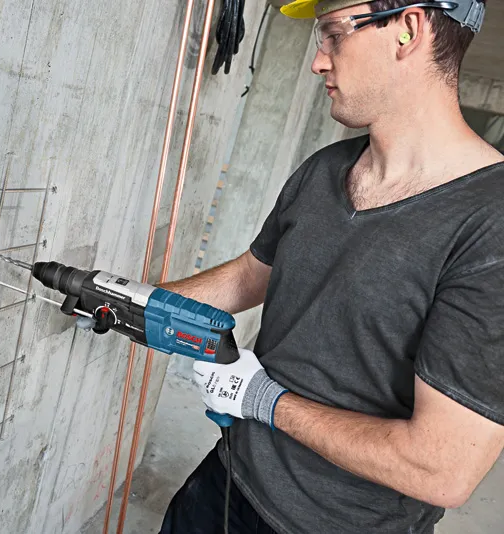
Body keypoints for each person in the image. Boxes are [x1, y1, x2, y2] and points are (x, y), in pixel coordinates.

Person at [158, 1, 504, 533]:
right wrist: (141, 303)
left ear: (407, 30)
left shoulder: (490, 224)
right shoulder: (325, 170)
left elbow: (442, 468)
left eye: (333, 34)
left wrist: (264, 401)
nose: (318, 61)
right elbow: (253, 276)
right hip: (228, 480)